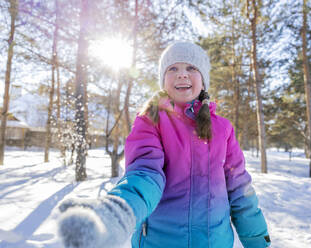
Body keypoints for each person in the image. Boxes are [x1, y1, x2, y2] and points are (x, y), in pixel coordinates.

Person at [58, 41, 271, 248]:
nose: (182, 74)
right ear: (163, 79)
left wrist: (258, 241)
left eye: (191, 67)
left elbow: (239, 188)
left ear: (203, 80)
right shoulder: (151, 120)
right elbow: (145, 173)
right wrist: (118, 211)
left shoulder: (223, 129)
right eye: (173, 68)